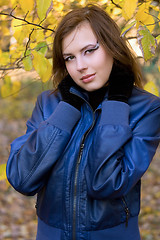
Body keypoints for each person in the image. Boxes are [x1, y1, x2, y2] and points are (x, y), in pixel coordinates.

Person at [6, 4, 160, 240]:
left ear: (111, 46)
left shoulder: (146, 108)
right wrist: (66, 109)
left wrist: (117, 103)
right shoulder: (49, 104)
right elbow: (22, 178)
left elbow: (105, 183)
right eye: (70, 57)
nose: (80, 66)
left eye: (89, 51)